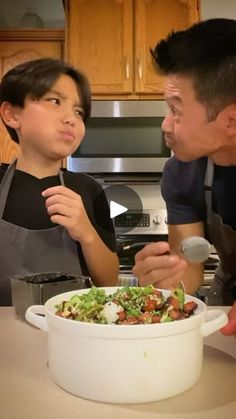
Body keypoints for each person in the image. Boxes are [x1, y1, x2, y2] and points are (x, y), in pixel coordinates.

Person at [132, 18, 236, 336]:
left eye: (176, 110)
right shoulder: (182, 173)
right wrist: (167, 279)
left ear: (231, 121)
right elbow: (188, 269)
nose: (165, 125)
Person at [0, 57, 119, 306]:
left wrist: (86, 233)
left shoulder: (89, 190)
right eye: (55, 101)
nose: (71, 119)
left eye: (79, 112)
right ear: (11, 114)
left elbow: (109, 281)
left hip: (70, 333)